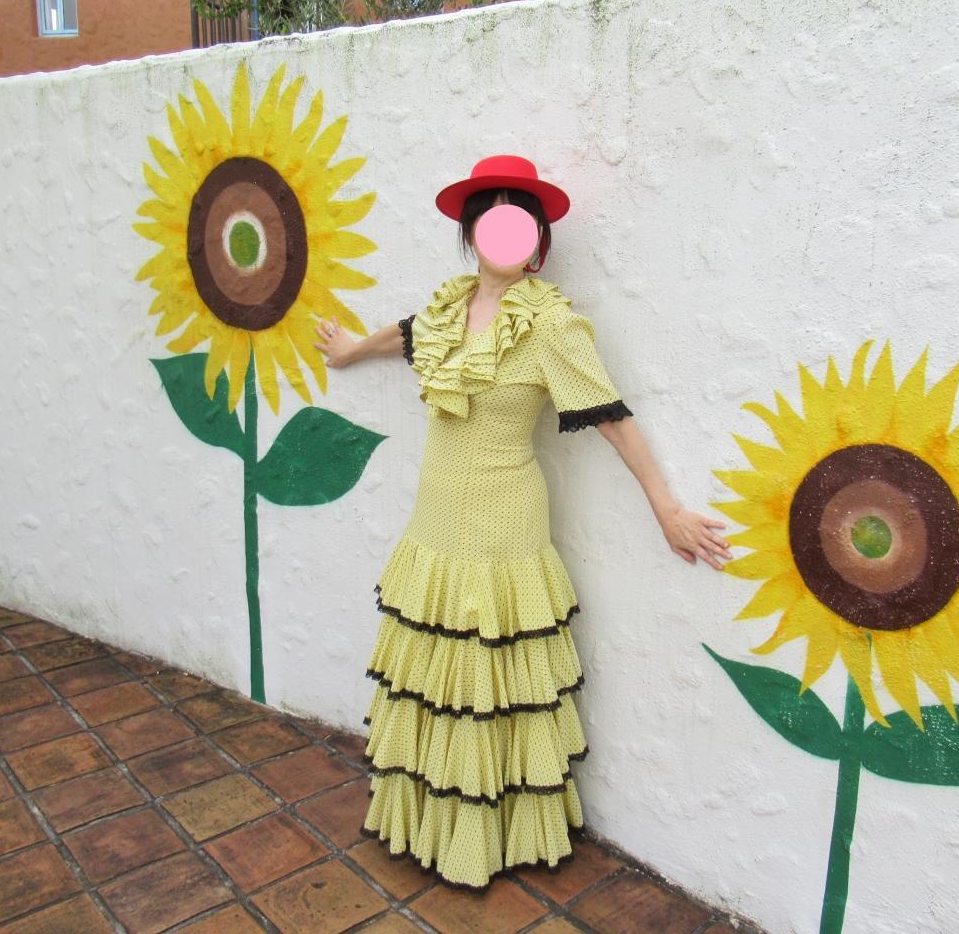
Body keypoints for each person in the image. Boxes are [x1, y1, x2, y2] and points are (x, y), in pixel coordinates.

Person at [312, 154, 733, 892]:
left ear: (537, 240)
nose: (506, 233)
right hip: (435, 514)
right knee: (435, 672)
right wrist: (351, 350)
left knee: (487, 672)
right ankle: (429, 822)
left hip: (504, 517)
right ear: (472, 232)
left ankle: (486, 837)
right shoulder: (445, 310)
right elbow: (406, 335)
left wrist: (665, 507)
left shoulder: (550, 326)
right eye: (492, 218)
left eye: (521, 221)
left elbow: (612, 417)